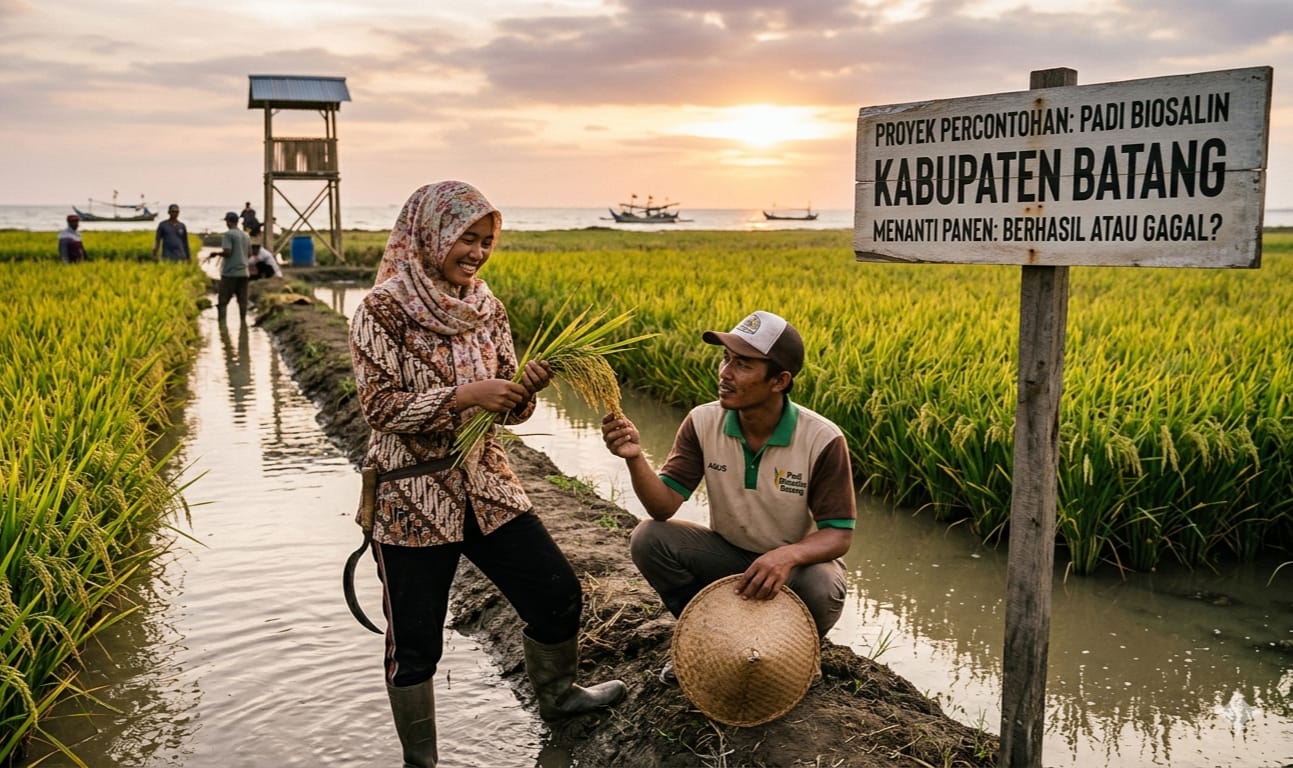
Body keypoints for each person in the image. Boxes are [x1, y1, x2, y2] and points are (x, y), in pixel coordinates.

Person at [347, 180, 625, 767]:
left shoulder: (487, 306)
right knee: (416, 645)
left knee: (556, 596)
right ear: (431, 234)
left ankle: (559, 696)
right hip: (412, 497)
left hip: (488, 485)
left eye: (487, 242)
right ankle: (420, 762)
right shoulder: (381, 309)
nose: (476, 253)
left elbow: (511, 408)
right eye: (466, 239)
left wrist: (524, 390)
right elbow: (379, 408)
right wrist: (463, 394)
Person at [601, 310, 856, 683]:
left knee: (824, 585)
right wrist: (635, 457)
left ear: (779, 381)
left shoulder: (821, 438)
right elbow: (662, 505)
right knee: (649, 538)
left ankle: (798, 648)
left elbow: (839, 534)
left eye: (744, 365)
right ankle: (705, 635)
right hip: (728, 556)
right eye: (726, 359)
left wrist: (786, 556)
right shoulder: (703, 422)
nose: (725, 373)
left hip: (792, 570)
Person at [207, 211, 251, 323]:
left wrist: (216, 254)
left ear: (229, 222)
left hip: (230, 273)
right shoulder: (246, 235)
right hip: (244, 272)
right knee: (242, 300)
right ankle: (243, 322)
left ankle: (222, 324)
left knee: (223, 300)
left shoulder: (228, 235)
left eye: (226, 221)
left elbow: (228, 252)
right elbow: (249, 254)